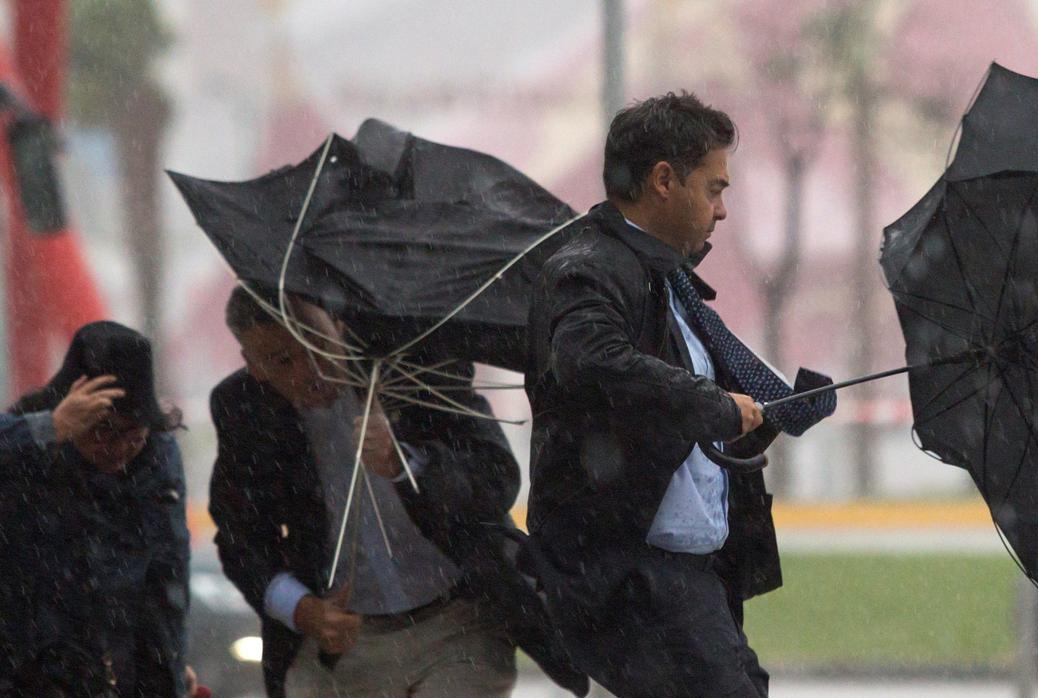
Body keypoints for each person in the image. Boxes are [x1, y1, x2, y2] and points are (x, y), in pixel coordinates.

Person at [526, 92, 831, 697]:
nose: (722, 211)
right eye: (714, 189)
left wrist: (752, 419)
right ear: (664, 180)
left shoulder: (662, 277)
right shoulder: (590, 266)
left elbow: (665, 408)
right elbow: (591, 361)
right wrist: (713, 405)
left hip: (687, 579)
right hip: (632, 579)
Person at [209, 287, 584, 697]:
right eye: (283, 360)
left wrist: (405, 464)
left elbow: (495, 478)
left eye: (316, 342)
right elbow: (240, 534)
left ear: (338, 323)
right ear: (254, 366)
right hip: (340, 642)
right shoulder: (244, 408)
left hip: (458, 621)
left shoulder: (415, 362)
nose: (311, 367)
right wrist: (300, 608)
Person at [0, 320, 192, 697]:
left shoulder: (157, 457)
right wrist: (46, 430)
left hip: (116, 667)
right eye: (102, 431)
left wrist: (169, 671)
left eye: (133, 436)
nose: (118, 450)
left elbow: (168, 578)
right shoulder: (29, 444)